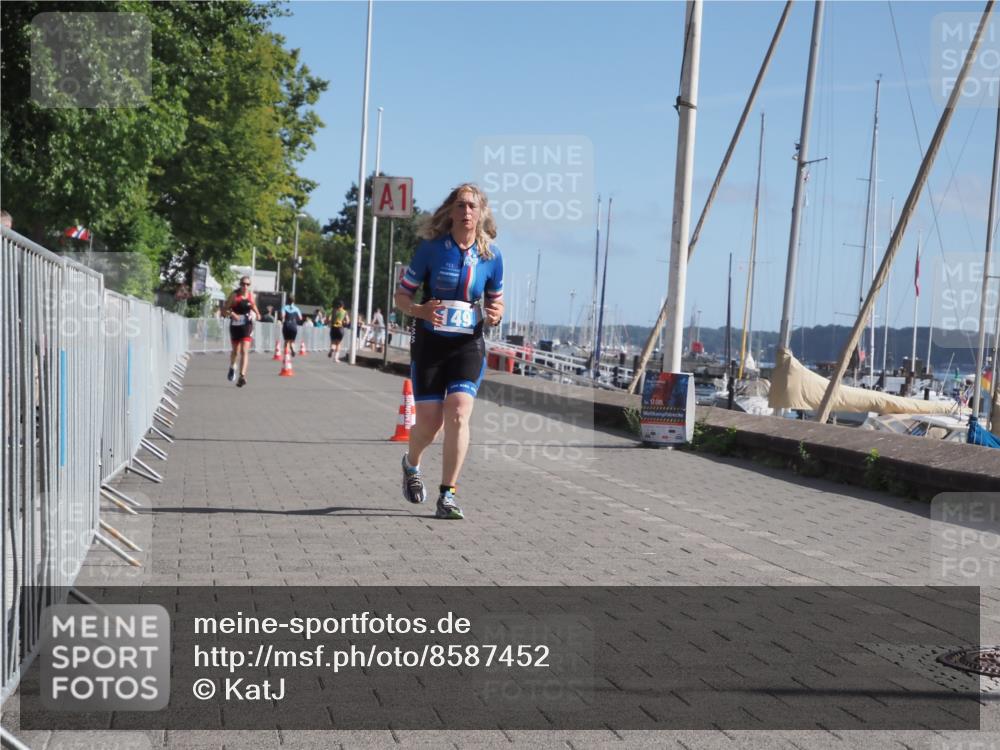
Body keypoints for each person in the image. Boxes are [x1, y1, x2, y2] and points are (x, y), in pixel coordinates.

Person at [394, 183, 503, 520]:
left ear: (481, 213)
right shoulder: (431, 249)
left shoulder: (492, 256)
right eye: (461, 205)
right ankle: (411, 463)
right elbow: (401, 297)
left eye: (472, 206)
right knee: (430, 425)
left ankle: (447, 495)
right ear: (451, 211)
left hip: (467, 343)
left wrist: (495, 315)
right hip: (430, 341)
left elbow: (496, 303)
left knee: (458, 412)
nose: (467, 211)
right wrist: (420, 311)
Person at [223, 276, 260, 387]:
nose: (245, 286)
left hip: (247, 325)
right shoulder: (234, 295)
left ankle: (242, 376)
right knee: (236, 351)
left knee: (244, 350)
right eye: (243, 284)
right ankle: (232, 366)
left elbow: (253, 305)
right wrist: (232, 314)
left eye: (248, 284)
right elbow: (225, 309)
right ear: (240, 284)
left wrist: (257, 313)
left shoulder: (250, 295)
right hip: (235, 326)